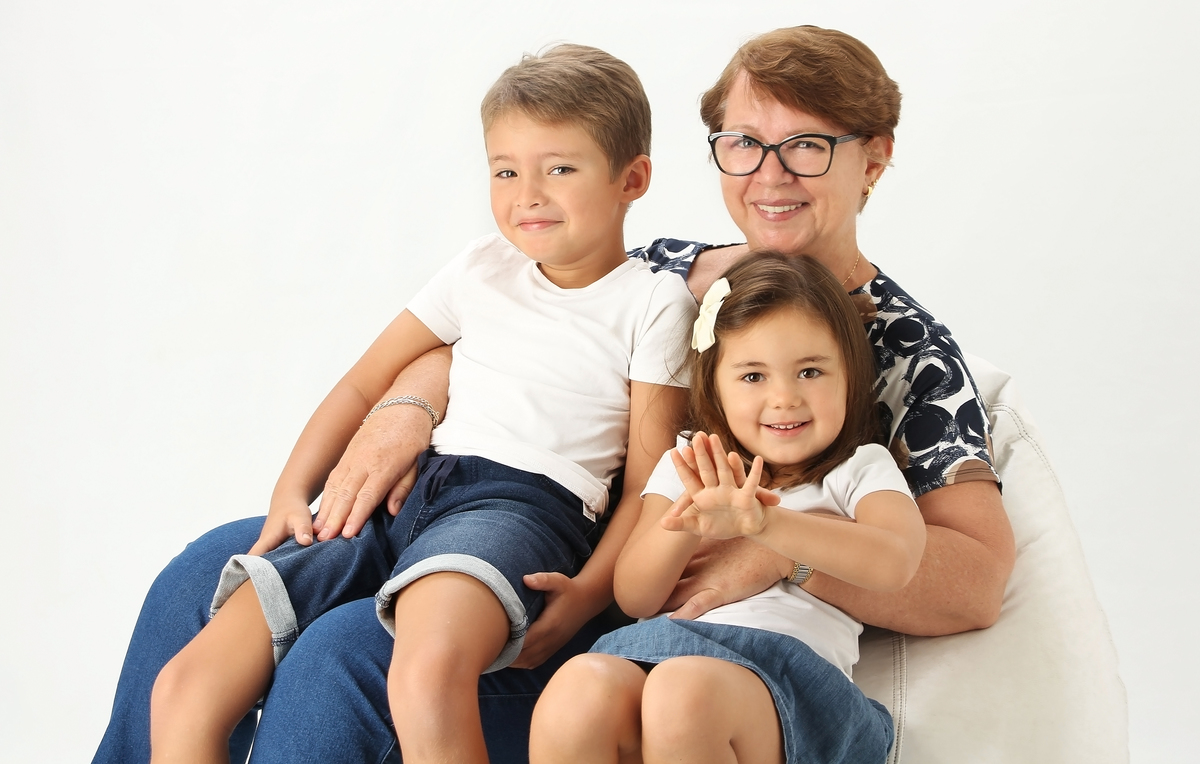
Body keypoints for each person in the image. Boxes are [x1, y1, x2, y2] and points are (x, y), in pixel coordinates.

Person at [93, 25, 1015, 764]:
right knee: (200, 579)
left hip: (585, 582)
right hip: (454, 500)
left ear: (874, 159)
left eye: (806, 147)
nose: (768, 174)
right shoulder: (664, 266)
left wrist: (777, 550)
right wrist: (406, 407)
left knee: (342, 658)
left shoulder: (908, 352)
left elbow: (975, 581)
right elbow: (516, 330)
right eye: (743, 144)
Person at [145, 44, 696, 763]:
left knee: (424, 675)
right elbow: (362, 385)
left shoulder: (654, 301)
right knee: (185, 688)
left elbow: (648, 484)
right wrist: (292, 489)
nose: (527, 194)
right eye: (505, 170)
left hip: (519, 511)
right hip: (406, 498)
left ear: (633, 178)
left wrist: (590, 593)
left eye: (560, 168)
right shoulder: (480, 267)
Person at [529, 253, 926, 764]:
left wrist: (766, 524)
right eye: (753, 376)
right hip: (662, 645)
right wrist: (687, 525)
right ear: (714, 383)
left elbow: (895, 562)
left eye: (809, 371)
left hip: (787, 680)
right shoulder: (689, 462)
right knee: (579, 687)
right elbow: (634, 597)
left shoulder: (858, 467)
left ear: (849, 375)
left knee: (684, 692)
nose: (784, 398)